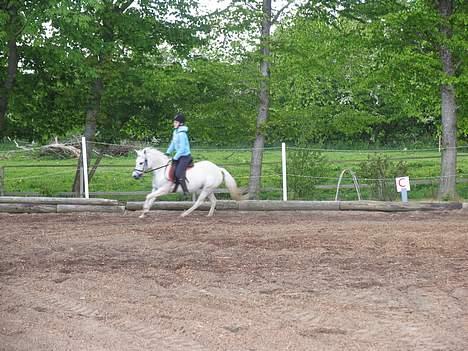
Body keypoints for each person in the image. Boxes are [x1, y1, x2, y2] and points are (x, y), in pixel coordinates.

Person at [165, 113, 192, 196]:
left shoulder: (182, 134)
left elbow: (183, 148)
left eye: (176, 122)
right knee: (171, 169)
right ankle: (175, 186)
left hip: (185, 156)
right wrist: (168, 152)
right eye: (174, 122)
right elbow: (173, 143)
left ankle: (186, 191)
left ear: (181, 124)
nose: (174, 124)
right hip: (179, 156)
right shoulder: (175, 132)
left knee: (178, 172)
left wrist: (175, 157)